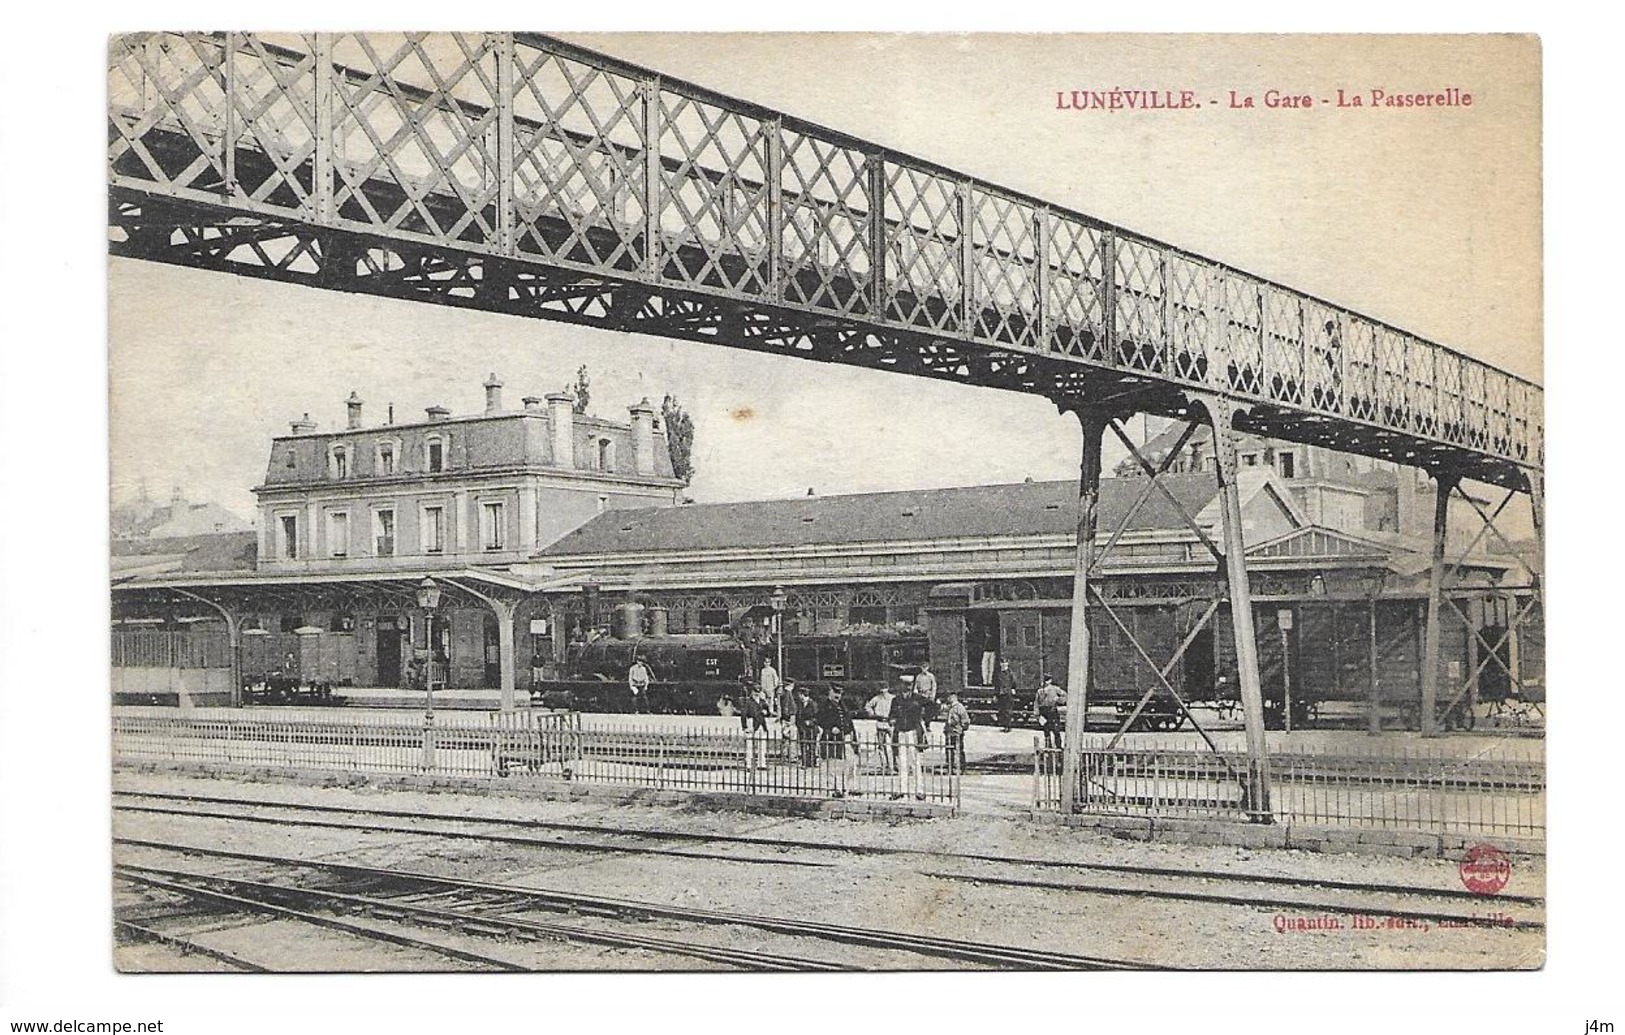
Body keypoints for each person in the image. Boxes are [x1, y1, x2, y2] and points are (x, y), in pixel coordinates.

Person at [889, 680, 928, 800]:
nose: (906, 688)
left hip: (913, 732)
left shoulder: (918, 698)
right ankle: (902, 789)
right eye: (904, 685)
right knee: (902, 762)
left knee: (915, 762)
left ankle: (919, 790)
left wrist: (923, 719)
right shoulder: (896, 700)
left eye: (909, 685)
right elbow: (892, 715)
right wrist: (892, 720)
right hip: (900, 732)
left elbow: (932, 707)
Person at [819, 686, 860, 797]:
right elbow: (819, 719)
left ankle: (851, 787)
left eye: (840, 693)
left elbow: (848, 721)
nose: (838, 696)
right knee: (834, 764)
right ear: (830, 693)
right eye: (835, 693)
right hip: (833, 738)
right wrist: (830, 727)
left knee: (850, 763)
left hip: (846, 737)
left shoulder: (843, 705)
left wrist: (853, 736)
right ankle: (835, 789)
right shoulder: (825, 705)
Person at [738, 683, 771, 773]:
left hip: (761, 725)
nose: (757, 694)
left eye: (758, 692)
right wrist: (745, 727)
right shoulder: (748, 702)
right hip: (752, 724)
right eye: (755, 692)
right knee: (749, 746)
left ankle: (762, 763)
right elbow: (743, 715)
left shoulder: (762, 701)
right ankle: (748, 764)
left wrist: (766, 712)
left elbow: (768, 712)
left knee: (762, 745)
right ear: (751, 692)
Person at [865, 684, 896, 774]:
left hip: (890, 723)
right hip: (881, 722)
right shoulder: (877, 698)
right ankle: (885, 765)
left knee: (893, 745)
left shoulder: (892, 698)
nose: (883, 692)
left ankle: (894, 764)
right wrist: (872, 713)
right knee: (882, 746)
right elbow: (868, 706)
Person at [942, 691, 971, 774]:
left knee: (959, 750)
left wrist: (961, 728)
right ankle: (950, 768)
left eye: (949, 697)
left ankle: (962, 768)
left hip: (957, 732)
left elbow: (965, 720)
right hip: (949, 732)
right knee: (949, 751)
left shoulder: (959, 707)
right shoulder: (949, 707)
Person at [1033, 675, 1065, 750]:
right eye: (1045, 680)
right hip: (1044, 712)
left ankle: (1058, 746)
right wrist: (1037, 715)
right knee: (1046, 730)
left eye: (1048, 680)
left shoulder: (1055, 689)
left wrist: (1059, 699)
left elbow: (1065, 695)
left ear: (1050, 681)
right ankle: (1048, 746)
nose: (1046, 682)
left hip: (1052, 711)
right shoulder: (1040, 691)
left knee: (1056, 730)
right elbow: (1036, 703)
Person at [912, 663, 939, 750]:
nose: (924, 669)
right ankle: (919, 721)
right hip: (920, 695)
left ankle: (928, 725)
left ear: (927, 668)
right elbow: (915, 686)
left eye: (925, 667)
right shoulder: (919, 677)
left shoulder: (931, 676)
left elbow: (934, 686)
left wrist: (932, 695)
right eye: (922, 667)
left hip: (928, 695)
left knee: (929, 711)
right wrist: (915, 693)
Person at [794, 684, 821, 768]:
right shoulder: (799, 705)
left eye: (800, 695)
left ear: (803, 695)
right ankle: (804, 762)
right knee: (803, 745)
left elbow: (817, 717)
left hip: (811, 728)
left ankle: (812, 761)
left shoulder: (813, 704)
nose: (799, 697)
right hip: (802, 728)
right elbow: (797, 716)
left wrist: (811, 722)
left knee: (812, 745)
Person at [995, 658, 1017, 732]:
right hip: (1001, 694)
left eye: (1005, 663)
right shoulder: (999, 674)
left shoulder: (1010, 673)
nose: (1003, 665)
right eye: (1002, 663)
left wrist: (1013, 689)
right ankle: (1004, 726)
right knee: (1002, 710)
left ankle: (1008, 726)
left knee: (1008, 710)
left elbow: (1014, 682)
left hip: (1007, 694)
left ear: (1007, 664)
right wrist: (995, 694)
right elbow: (997, 685)